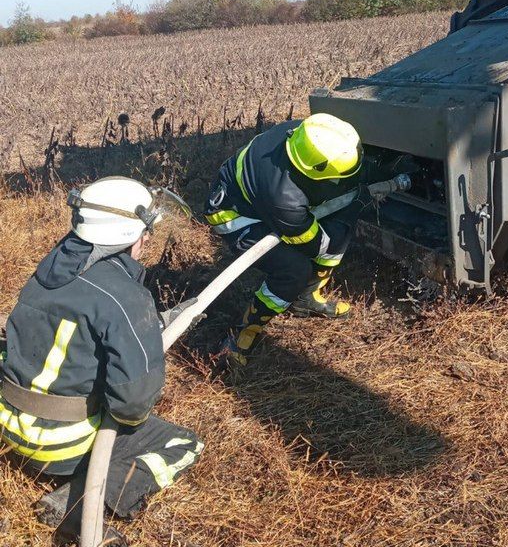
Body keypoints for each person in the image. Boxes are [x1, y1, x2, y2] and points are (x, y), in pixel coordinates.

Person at [0, 177, 203, 545]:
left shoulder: (47, 272)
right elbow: (131, 406)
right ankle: (78, 500)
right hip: (61, 447)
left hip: (9, 428)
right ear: (133, 235)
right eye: (146, 233)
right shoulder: (128, 297)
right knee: (185, 444)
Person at [204, 113, 369, 367]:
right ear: (314, 171)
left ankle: (306, 298)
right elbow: (314, 245)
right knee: (293, 269)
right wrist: (346, 220)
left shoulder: (306, 135)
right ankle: (245, 332)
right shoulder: (285, 200)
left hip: (261, 201)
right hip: (233, 215)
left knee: (338, 225)